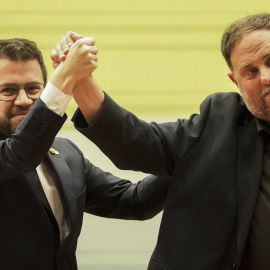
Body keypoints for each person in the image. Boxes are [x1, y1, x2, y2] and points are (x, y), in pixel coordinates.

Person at [54, 13, 270, 270]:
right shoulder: (219, 122)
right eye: (250, 71)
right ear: (236, 82)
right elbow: (139, 143)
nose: (265, 77)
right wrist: (79, 80)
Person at [0, 37, 169, 270]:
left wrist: (188, 156)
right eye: (7, 90)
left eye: (33, 88)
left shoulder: (65, 153)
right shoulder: (16, 153)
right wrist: (66, 77)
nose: (23, 100)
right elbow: (21, 153)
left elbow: (135, 201)